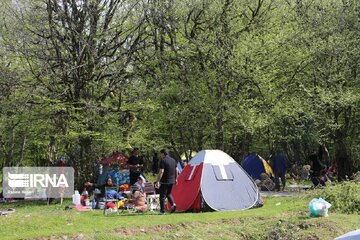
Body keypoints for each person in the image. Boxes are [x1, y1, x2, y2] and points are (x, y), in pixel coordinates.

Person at [155, 148, 178, 215]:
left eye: (160, 154)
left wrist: (158, 181)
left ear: (163, 153)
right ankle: (173, 204)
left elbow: (161, 171)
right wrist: (176, 178)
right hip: (172, 180)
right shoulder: (173, 160)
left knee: (162, 195)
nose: (160, 155)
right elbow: (176, 170)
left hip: (165, 181)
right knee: (169, 193)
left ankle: (162, 211)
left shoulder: (163, 160)